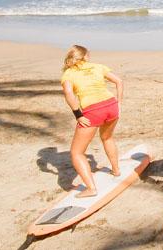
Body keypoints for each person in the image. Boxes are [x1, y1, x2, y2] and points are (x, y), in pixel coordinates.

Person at [60, 45, 124, 198]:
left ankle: (91, 189)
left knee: (76, 152)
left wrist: (78, 115)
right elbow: (119, 82)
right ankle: (116, 170)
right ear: (86, 56)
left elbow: (69, 94)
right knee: (107, 137)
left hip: (93, 111)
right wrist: (119, 103)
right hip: (111, 105)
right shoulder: (98, 67)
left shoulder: (68, 74)